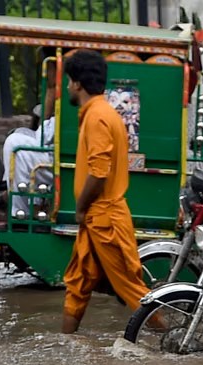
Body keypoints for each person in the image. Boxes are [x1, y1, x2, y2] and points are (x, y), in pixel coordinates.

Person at [60, 50, 148, 335]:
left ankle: (174, 341)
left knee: (132, 290)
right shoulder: (101, 113)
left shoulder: (97, 116)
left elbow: (99, 171)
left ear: (76, 84)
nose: (68, 87)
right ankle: (65, 345)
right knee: (79, 281)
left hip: (104, 216)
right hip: (99, 217)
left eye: (68, 81)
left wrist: (81, 207)